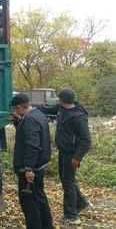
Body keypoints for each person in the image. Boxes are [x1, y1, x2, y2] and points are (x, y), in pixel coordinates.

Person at [37, 88, 91, 225]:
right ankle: (81, 203)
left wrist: (77, 157)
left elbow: (86, 140)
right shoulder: (61, 108)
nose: (57, 100)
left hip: (72, 154)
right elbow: (48, 109)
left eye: (59, 98)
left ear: (62, 100)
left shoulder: (78, 117)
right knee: (67, 180)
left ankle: (71, 216)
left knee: (68, 183)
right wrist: (33, 108)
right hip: (63, 151)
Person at [11, 94, 53, 229]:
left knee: (29, 202)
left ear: (19, 107)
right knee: (39, 198)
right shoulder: (38, 115)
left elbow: (32, 145)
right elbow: (31, 136)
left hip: (31, 169)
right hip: (40, 166)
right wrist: (19, 122)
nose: (14, 112)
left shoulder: (29, 120)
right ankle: (47, 226)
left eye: (15, 109)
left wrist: (28, 168)